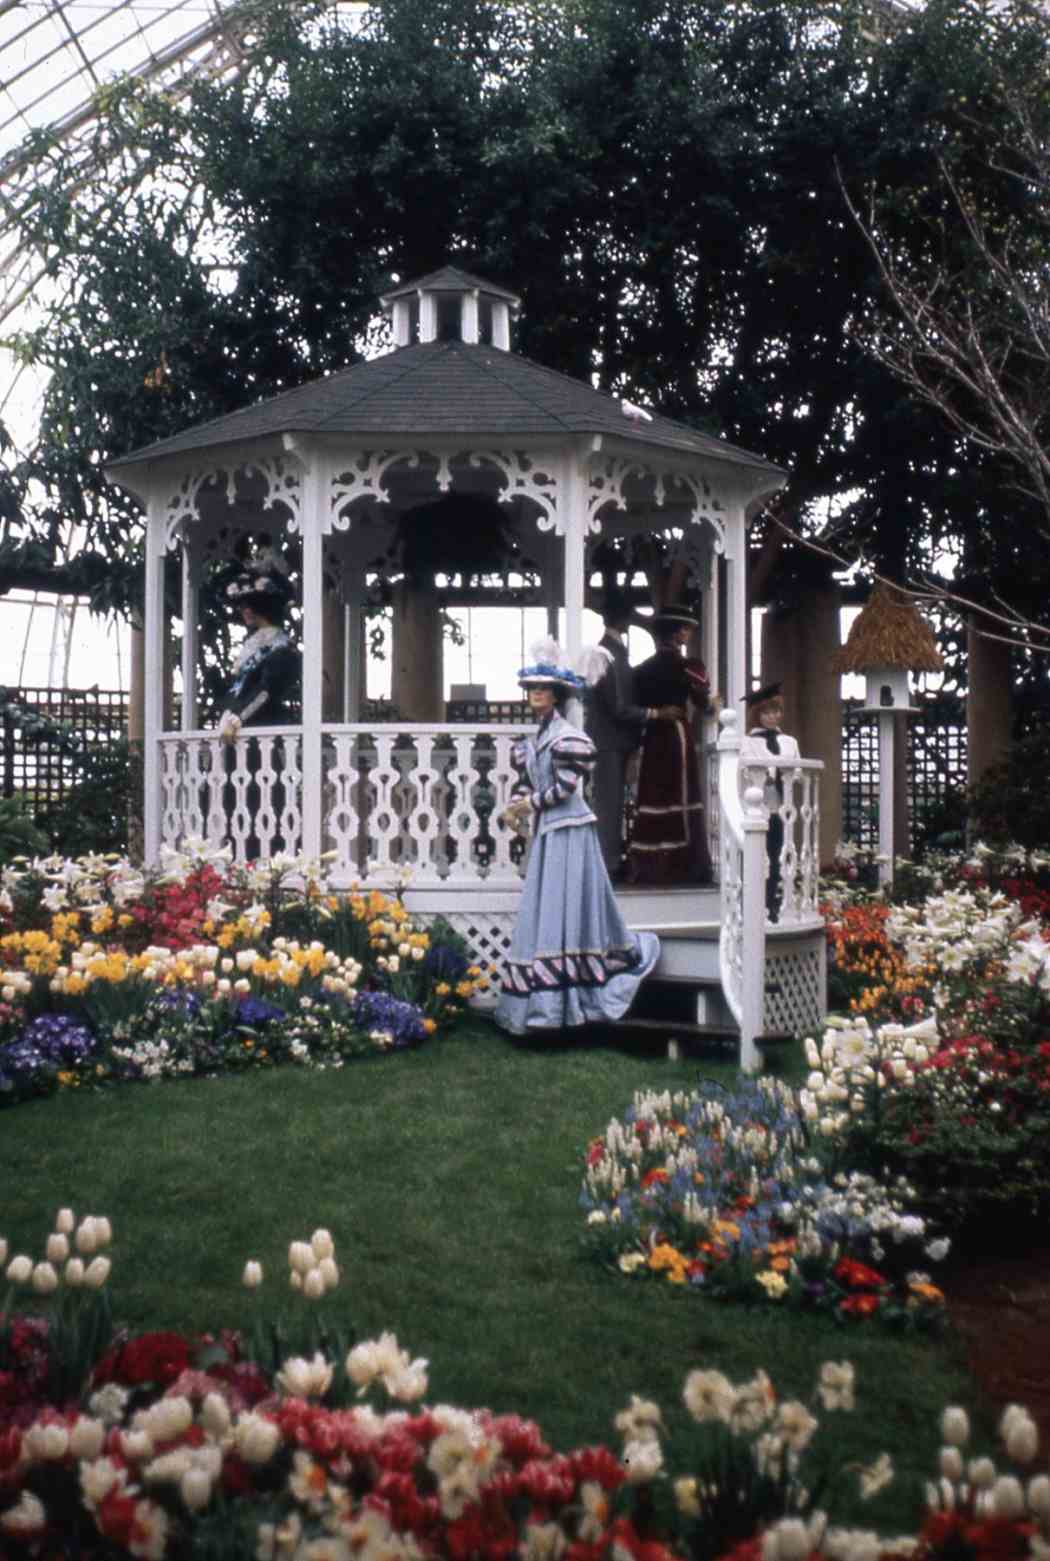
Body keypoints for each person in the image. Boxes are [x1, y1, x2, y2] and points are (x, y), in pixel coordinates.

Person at [495, 641, 660, 1035]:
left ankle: (574, 999)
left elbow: (565, 790)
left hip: (570, 831)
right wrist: (514, 808)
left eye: (544, 688)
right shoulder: (533, 742)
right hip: (550, 833)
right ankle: (547, 1005)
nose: (537, 693)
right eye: (532, 688)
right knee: (548, 907)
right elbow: (527, 783)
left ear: (557, 695)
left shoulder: (569, 738)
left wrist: (526, 807)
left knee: (567, 904)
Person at [217, 552, 299, 857]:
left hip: (264, 736)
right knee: (236, 803)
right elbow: (238, 689)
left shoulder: (282, 650)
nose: (245, 610)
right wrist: (228, 712)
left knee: (265, 802)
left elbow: (267, 691)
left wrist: (238, 718)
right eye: (242, 604)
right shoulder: (251, 646)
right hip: (238, 742)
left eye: (251, 604)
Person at [627, 609, 718, 885]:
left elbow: (637, 705)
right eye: (686, 629)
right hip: (677, 735)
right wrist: (714, 704)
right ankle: (684, 864)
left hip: (652, 735)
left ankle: (649, 865)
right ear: (677, 633)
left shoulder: (641, 670)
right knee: (680, 792)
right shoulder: (690, 666)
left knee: (655, 793)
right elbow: (704, 703)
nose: (688, 634)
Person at [584, 588, 649, 878]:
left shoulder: (615, 650)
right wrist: (651, 714)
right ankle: (607, 864)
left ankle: (612, 859)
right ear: (622, 618)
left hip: (616, 739)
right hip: (609, 739)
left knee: (614, 803)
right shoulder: (606, 653)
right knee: (608, 804)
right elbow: (618, 705)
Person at [738, 681, 800, 923]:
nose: (772, 717)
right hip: (758, 808)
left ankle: (772, 904)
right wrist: (771, 773)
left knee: (776, 856)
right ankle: (755, 904)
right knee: (757, 858)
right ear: (757, 714)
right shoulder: (748, 742)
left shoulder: (789, 742)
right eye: (766, 712)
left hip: (781, 807)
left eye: (776, 711)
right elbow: (747, 771)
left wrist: (780, 773)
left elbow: (796, 771)